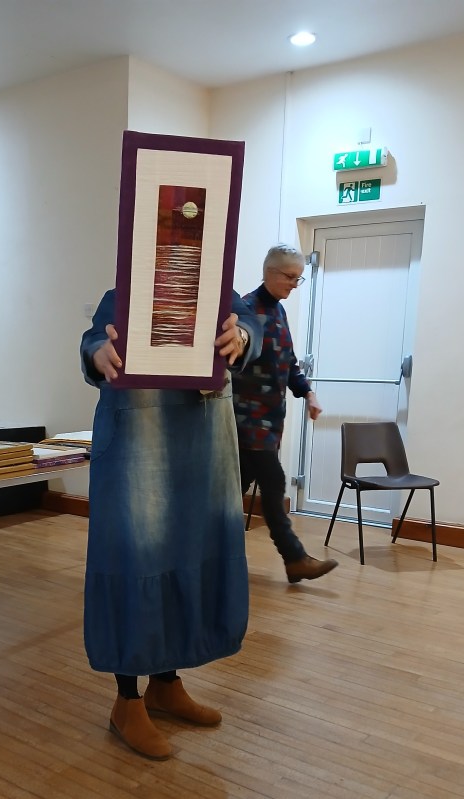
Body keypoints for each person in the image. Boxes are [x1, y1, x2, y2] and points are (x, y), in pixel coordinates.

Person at [80, 290, 263, 760]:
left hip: (201, 441)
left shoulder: (220, 292)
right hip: (137, 440)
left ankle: (165, 685)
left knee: (185, 554)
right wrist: (99, 354)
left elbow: (249, 324)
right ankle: (127, 701)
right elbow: (95, 340)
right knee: (137, 559)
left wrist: (242, 336)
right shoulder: (125, 293)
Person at [232, 244, 338, 584]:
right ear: (269, 272)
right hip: (247, 423)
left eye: (298, 278)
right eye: (290, 277)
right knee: (274, 486)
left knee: (231, 496)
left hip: (270, 423)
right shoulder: (246, 311)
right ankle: (295, 559)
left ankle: (211, 558)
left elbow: (288, 363)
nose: (295, 284)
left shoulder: (278, 311)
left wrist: (308, 393)